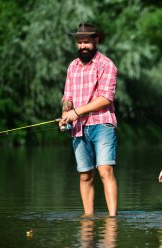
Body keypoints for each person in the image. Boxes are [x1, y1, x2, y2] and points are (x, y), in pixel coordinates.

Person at [59, 23, 118, 217]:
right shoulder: (72, 67)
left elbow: (105, 98)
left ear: (96, 40)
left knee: (104, 171)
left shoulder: (106, 64)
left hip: (102, 123)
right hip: (77, 128)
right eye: (79, 42)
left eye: (86, 42)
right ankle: (88, 217)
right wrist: (65, 116)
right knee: (85, 175)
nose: (82, 46)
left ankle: (112, 219)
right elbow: (67, 98)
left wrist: (76, 112)